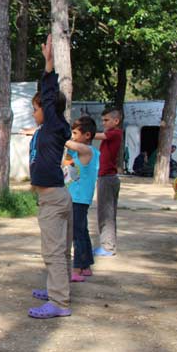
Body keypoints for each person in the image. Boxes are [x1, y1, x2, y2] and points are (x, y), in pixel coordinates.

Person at [26, 34, 72, 319]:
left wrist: (48, 65)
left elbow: (48, 93)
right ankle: (57, 289)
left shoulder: (54, 125)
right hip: (55, 196)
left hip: (53, 200)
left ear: (49, 107)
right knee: (60, 251)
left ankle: (60, 302)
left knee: (53, 253)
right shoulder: (48, 130)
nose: (33, 113)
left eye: (36, 108)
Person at [63, 116, 100, 283]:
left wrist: (56, 133)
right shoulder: (78, 152)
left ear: (87, 135)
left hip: (79, 199)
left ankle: (76, 268)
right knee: (82, 232)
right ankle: (86, 266)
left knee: (76, 234)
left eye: (75, 133)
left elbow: (69, 143)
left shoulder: (88, 151)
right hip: (76, 197)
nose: (72, 136)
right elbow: (68, 160)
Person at [93, 107, 123, 257]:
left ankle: (108, 247)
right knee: (104, 213)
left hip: (108, 178)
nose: (103, 123)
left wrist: (84, 134)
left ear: (116, 121)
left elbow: (99, 136)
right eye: (102, 120)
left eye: (106, 120)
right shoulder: (110, 134)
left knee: (106, 214)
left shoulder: (115, 133)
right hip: (105, 177)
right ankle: (107, 245)